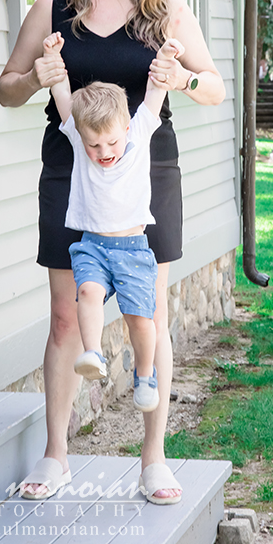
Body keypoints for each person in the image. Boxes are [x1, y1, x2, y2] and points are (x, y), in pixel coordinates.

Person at [0, 0, 225, 505]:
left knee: (150, 313)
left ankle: (154, 459)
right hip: (71, 176)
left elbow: (214, 88)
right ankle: (56, 455)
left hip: (148, 176)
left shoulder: (165, 9)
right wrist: (33, 78)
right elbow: (7, 87)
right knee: (67, 315)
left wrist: (180, 77)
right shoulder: (55, 9)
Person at [46, 32, 184, 414]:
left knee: (141, 320)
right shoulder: (79, 138)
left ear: (124, 129)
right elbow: (62, 99)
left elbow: (156, 90)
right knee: (87, 294)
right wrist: (55, 61)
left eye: (110, 143)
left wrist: (167, 55)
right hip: (91, 244)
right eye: (94, 145)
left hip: (133, 250)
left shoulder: (137, 132)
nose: (103, 152)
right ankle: (91, 353)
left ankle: (144, 375)